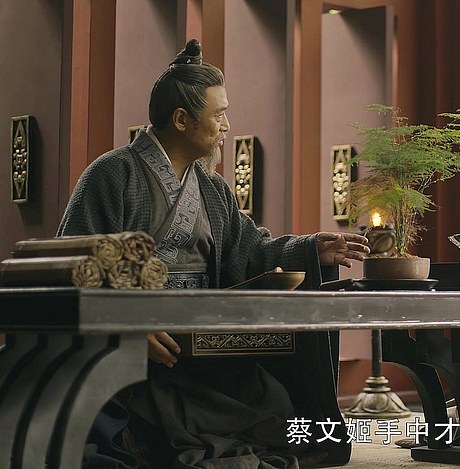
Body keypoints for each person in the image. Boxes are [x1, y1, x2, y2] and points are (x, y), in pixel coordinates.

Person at [58, 39, 369, 469]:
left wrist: (310, 249)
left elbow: (250, 250)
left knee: (276, 406)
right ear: (181, 119)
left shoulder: (211, 187)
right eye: (218, 114)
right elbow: (74, 266)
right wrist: (128, 327)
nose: (227, 125)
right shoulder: (112, 175)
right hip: (145, 345)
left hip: (202, 341)